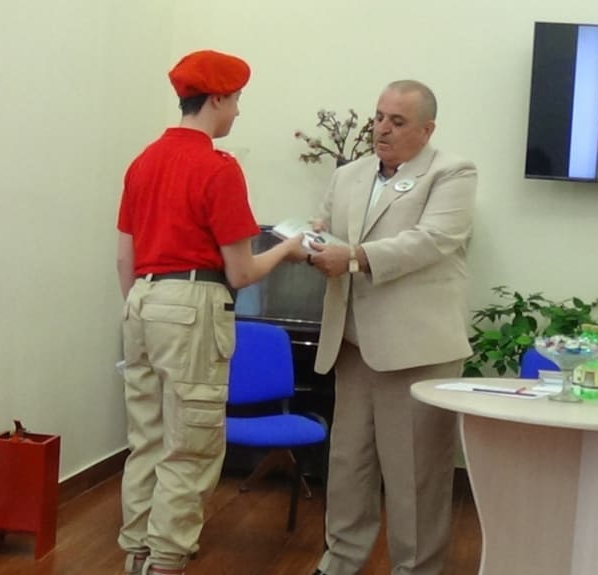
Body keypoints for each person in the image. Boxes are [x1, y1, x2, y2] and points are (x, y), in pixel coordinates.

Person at [115, 50, 305, 575]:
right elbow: (240, 272)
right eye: (237, 99)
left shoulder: (143, 162)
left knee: (147, 440)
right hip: (193, 303)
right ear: (217, 98)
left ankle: (137, 555)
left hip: (140, 301)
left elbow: (124, 259)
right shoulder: (218, 168)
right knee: (190, 445)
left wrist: (142, 308)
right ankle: (166, 563)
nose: (238, 111)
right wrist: (287, 249)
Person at [306, 80, 477, 575]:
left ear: (427, 129)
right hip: (353, 345)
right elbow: (327, 226)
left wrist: (353, 256)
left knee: (414, 475)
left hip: (416, 351)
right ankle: (339, 561)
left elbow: (432, 240)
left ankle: (415, 569)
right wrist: (310, 241)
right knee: (348, 467)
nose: (382, 128)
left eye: (397, 122)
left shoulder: (452, 172)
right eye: (379, 117)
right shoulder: (350, 174)